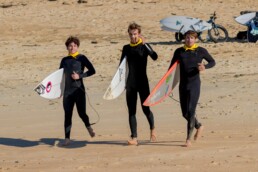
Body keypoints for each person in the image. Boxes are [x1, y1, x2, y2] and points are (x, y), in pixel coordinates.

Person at [168, 30, 215, 147]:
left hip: (194, 85)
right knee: (184, 113)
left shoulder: (200, 51)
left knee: (191, 111)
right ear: (184, 38)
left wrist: (205, 66)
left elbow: (213, 62)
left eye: (192, 38)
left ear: (195, 39)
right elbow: (171, 69)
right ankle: (199, 126)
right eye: (187, 38)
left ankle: (188, 139)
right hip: (182, 85)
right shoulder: (179, 51)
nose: (189, 40)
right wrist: (167, 86)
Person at [119, 22, 158, 145]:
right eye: (131, 35)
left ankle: (152, 128)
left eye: (135, 34)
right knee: (131, 111)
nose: (133, 37)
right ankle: (134, 137)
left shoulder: (144, 47)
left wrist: (145, 44)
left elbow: (155, 57)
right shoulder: (126, 48)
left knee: (146, 109)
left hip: (142, 82)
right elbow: (121, 66)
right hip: (130, 83)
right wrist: (121, 83)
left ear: (139, 34)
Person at [59, 36, 96, 146]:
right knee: (67, 114)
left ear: (77, 47)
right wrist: (59, 91)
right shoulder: (64, 60)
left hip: (79, 91)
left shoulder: (82, 58)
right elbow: (59, 76)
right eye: (70, 46)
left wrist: (80, 76)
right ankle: (67, 138)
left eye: (74, 46)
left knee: (81, 113)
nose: (72, 48)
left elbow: (92, 71)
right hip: (67, 92)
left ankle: (88, 126)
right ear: (67, 47)